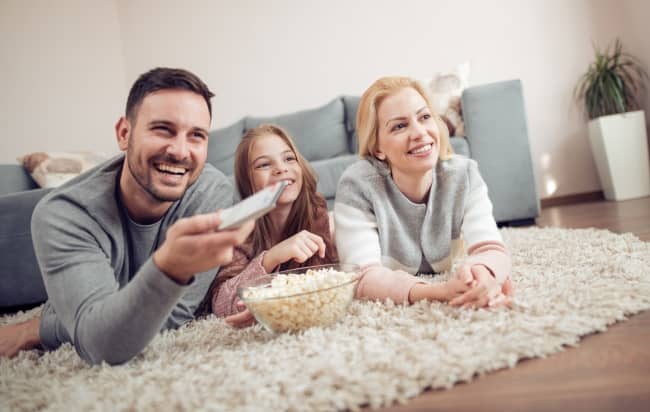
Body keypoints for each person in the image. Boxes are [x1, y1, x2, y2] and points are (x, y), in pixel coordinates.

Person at [0, 68, 253, 364]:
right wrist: (170, 268)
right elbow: (102, 347)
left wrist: (41, 329)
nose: (180, 151)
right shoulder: (62, 214)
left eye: (196, 135)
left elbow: (177, 314)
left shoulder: (211, 191)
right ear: (124, 133)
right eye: (163, 129)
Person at [334, 76, 513, 308]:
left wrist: (483, 276)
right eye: (399, 126)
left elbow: (491, 248)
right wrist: (437, 291)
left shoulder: (465, 174)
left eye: (424, 117)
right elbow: (363, 277)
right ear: (377, 147)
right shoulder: (357, 185)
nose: (420, 132)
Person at [197, 124, 337, 327]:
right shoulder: (240, 228)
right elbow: (221, 305)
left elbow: (321, 279)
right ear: (248, 182)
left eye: (289, 158)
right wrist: (271, 258)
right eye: (264, 165)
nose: (281, 168)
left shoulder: (315, 209)